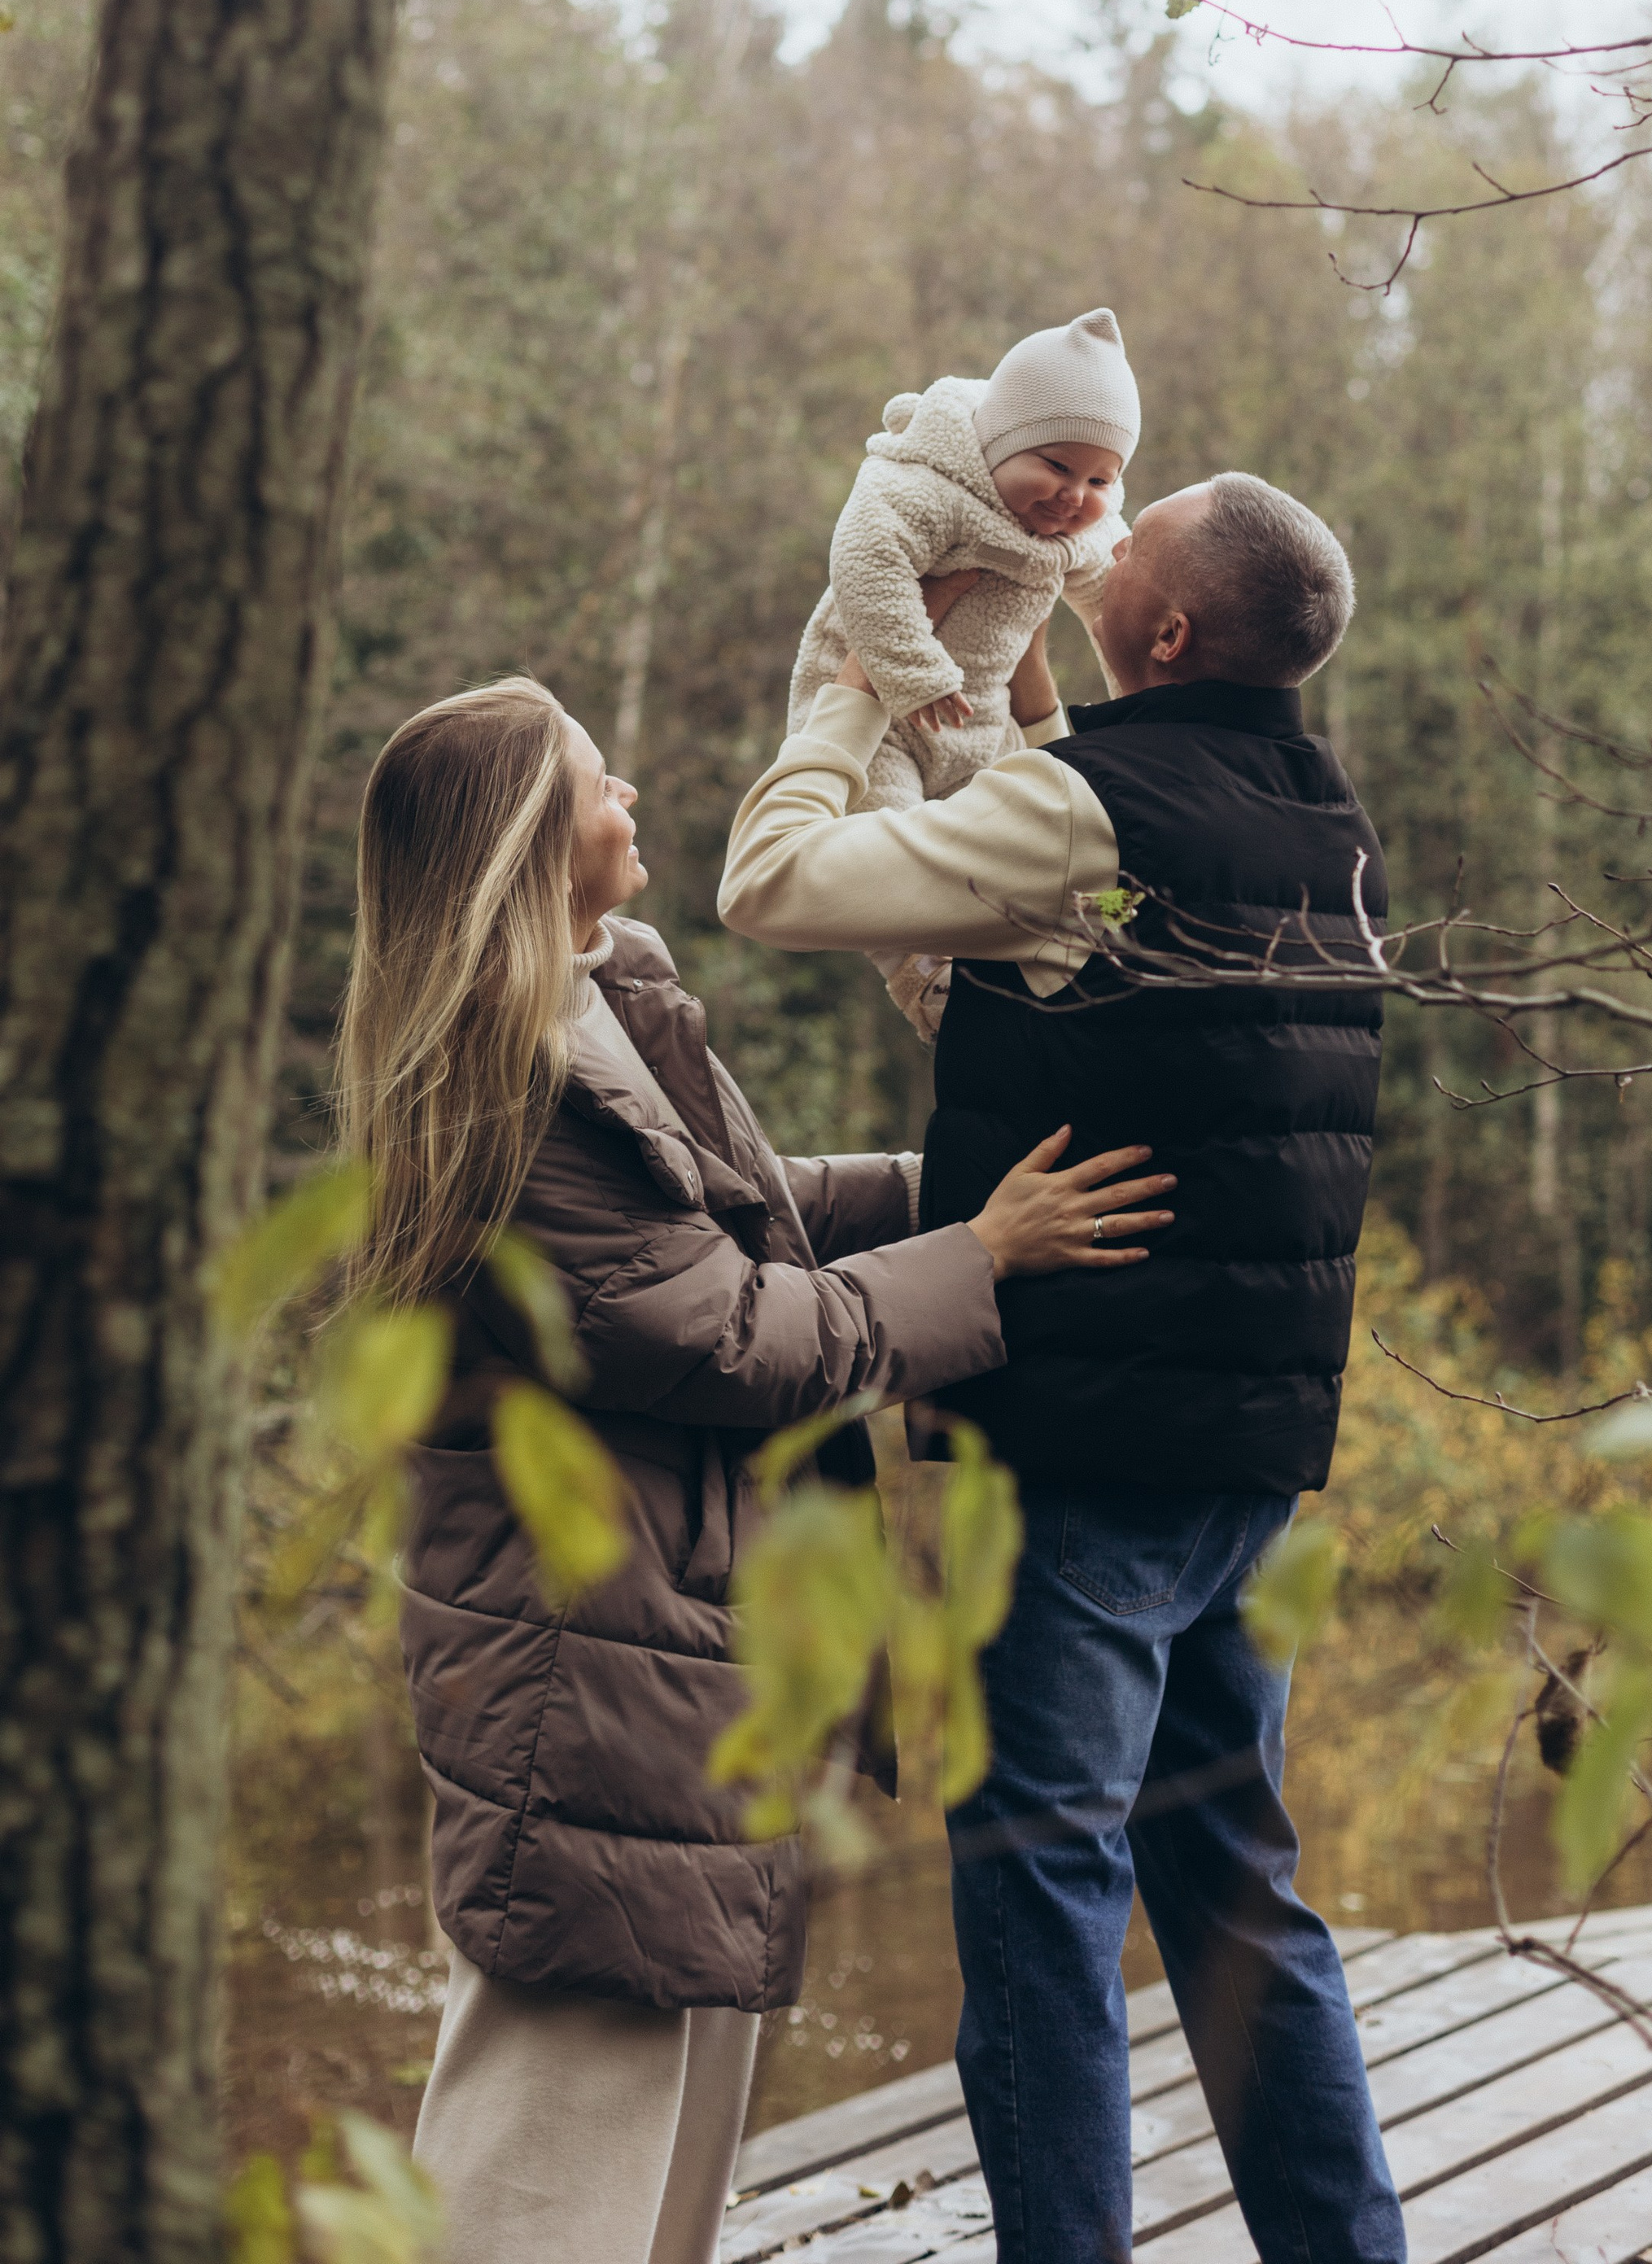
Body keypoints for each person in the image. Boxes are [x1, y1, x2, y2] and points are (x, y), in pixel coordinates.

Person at [332, 675, 1175, 2264]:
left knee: (661, 2172)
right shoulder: (502, 1089)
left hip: (666, 1665)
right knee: (543, 2177)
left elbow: (738, 1211)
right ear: (527, 842)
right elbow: (733, 1337)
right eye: (597, 780)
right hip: (582, 1684)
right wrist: (982, 1257)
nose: (629, 795)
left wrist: (958, 1193)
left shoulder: (595, 1004)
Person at [719, 474, 1406, 2264]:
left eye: (1128, 541)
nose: (1095, 546)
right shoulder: (1320, 819)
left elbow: (773, 881)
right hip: (1251, 1451)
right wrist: (1015, 694)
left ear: (1167, 632)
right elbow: (1056, 934)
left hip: (1091, 1448)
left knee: (1039, 1912)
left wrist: (846, 687)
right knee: (1239, 1903)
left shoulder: (1098, 806)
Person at [784, 308, 1139, 1038]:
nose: (1075, 496)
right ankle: (925, 979)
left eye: (1101, 478)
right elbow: (866, 561)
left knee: (1056, 827)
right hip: (877, 712)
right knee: (888, 845)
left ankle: (1112, 921)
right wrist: (914, 673)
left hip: (981, 718)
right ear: (997, 445)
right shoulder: (929, 482)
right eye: (1056, 467)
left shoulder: (1083, 527)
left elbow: (1112, 607)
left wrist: (1137, 701)